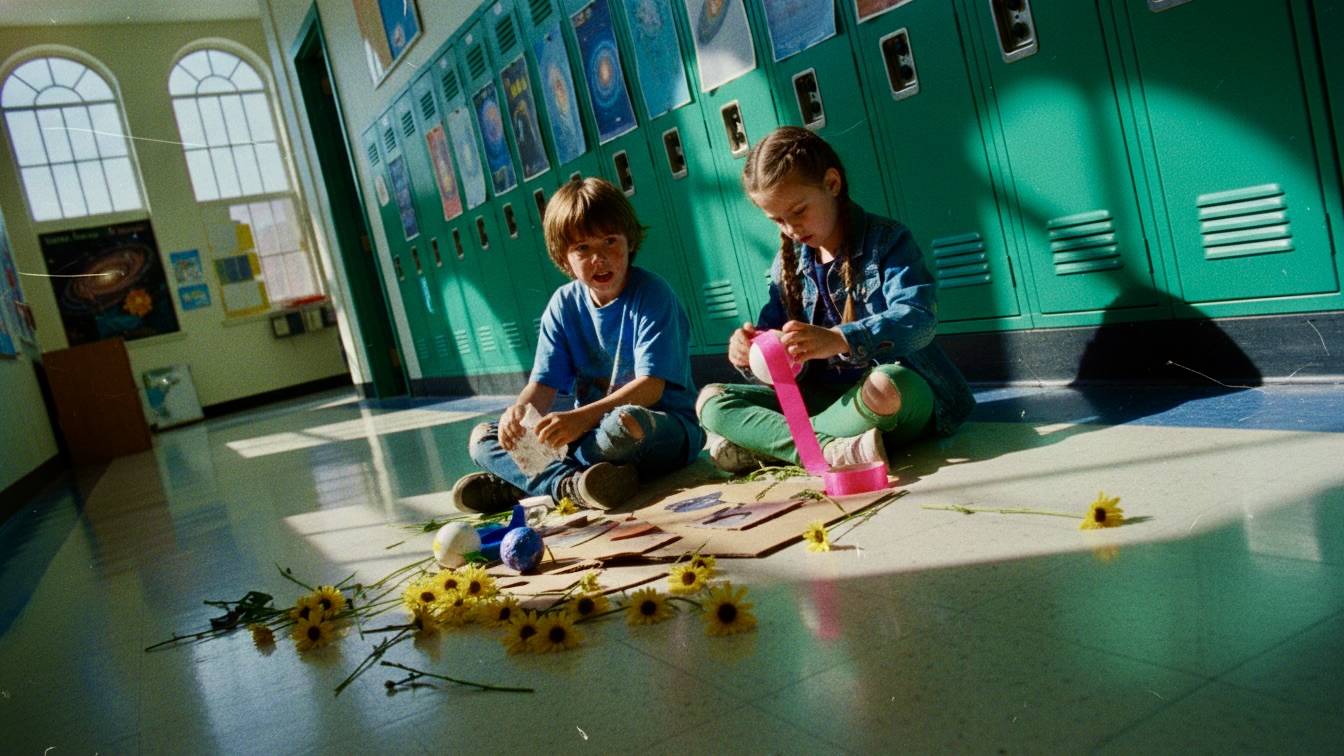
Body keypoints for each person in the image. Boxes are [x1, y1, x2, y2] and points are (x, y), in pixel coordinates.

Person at [697, 126, 975, 473]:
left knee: (887, 385)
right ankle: (831, 449)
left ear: (832, 184)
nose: (791, 229)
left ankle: (776, 446)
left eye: (798, 211)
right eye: (778, 220)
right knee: (711, 399)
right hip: (823, 404)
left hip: (886, 397)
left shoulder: (888, 241)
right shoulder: (787, 265)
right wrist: (750, 350)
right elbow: (775, 348)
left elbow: (918, 318)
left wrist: (840, 339)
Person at [452, 177, 705, 513]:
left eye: (609, 241)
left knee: (625, 423)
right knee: (485, 436)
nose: (598, 257)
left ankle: (525, 483)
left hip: (661, 428)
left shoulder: (653, 295)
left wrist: (577, 421)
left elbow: (650, 388)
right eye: (582, 248)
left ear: (630, 242)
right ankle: (570, 485)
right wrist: (518, 414)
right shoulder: (563, 304)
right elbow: (542, 388)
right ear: (563, 257)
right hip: (589, 433)